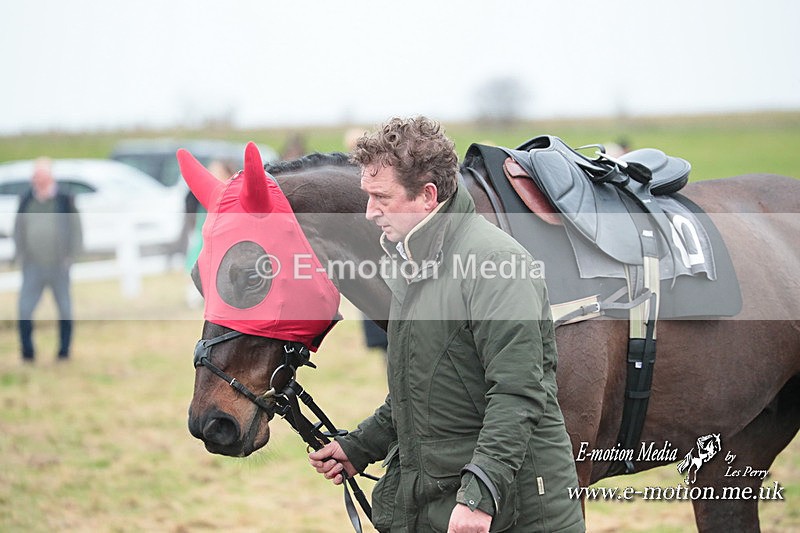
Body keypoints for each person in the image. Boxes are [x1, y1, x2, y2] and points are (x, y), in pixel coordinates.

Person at [309, 117, 584, 532]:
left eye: (382, 197)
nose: (369, 212)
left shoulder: (497, 265)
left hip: (514, 513)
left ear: (427, 196)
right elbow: (421, 389)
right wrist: (360, 446)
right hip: (442, 501)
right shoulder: (411, 263)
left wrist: (479, 496)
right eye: (368, 196)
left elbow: (518, 393)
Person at [14, 157, 82, 362]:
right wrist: (21, 255)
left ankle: (64, 352)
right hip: (33, 265)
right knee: (24, 309)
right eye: (35, 175)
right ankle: (27, 353)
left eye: (40, 175)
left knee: (64, 309)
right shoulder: (26, 199)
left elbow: (76, 228)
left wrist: (71, 256)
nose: (36, 179)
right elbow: (18, 228)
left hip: (58, 265)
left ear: (50, 176)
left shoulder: (64, 199)